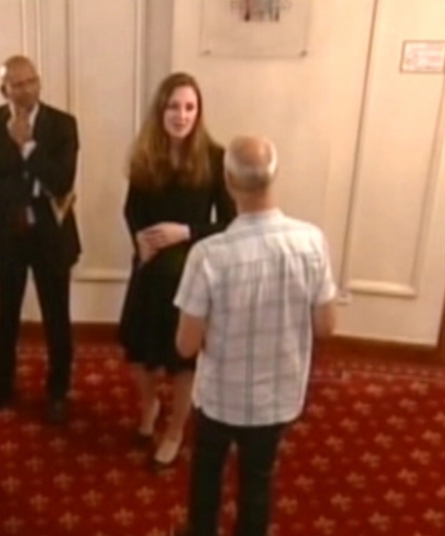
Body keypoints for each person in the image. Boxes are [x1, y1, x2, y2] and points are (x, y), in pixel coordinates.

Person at [171, 135, 338, 536]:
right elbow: (326, 326)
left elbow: (185, 345)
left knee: (207, 479)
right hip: (278, 398)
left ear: (227, 180)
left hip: (219, 398)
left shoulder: (209, 254)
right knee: (258, 482)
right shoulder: (311, 242)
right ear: (274, 177)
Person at [117, 72, 236, 470]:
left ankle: (175, 430)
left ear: (198, 113)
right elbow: (131, 209)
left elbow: (230, 223)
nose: (181, 115)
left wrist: (185, 231)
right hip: (149, 268)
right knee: (138, 351)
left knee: (182, 357)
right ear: (160, 110)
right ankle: (150, 405)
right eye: (173, 106)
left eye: (189, 107)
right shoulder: (145, 153)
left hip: (191, 271)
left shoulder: (216, 158)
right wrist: (139, 238)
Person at [0, 55, 80, 424]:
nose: (27, 88)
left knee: (57, 318)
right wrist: (31, 188)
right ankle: (1, 387)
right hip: (6, 235)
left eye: (32, 80)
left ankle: (58, 392)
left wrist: (30, 147)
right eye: (17, 84)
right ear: (4, 89)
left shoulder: (63, 125)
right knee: (5, 318)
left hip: (51, 236)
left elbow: (62, 180)